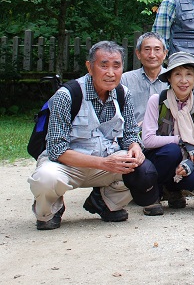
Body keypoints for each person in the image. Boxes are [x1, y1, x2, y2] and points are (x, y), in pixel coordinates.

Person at [28, 41, 158, 230]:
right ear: (90, 67)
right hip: (67, 166)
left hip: (106, 163)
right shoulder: (67, 95)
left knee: (141, 169)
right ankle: (49, 211)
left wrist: (135, 148)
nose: (111, 73)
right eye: (103, 65)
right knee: (45, 178)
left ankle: (104, 203)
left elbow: (130, 133)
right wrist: (103, 163)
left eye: (116, 66)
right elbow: (56, 150)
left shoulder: (123, 93)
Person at [140, 52, 194, 216]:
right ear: (169, 78)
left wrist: (189, 164)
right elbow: (147, 140)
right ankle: (152, 194)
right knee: (172, 151)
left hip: (187, 158)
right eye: (177, 74)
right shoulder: (157, 100)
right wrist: (181, 140)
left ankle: (172, 190)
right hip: (159, 156)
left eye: (189, 75)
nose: (183, 81)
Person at [120, 32, 168, 125]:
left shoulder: (173, 80)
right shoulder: (125, 80)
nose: (152, 55)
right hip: (133, 135)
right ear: (138, 54)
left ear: (164, 54)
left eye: (157, 49)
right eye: (147, 49)